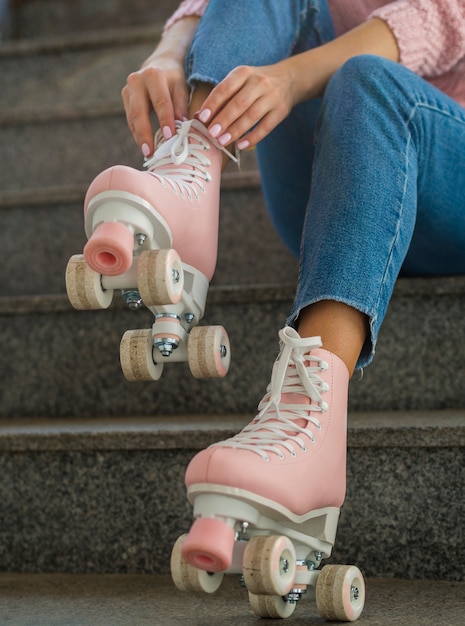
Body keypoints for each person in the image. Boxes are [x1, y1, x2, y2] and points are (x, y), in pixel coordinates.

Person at [89, 0, 465, 586]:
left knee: (366, 78)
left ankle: (308, 415)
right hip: (336, 179)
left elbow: (438, 19)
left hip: (444, 173)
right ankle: (190, 164)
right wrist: (168, 56)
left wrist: (288, 78)